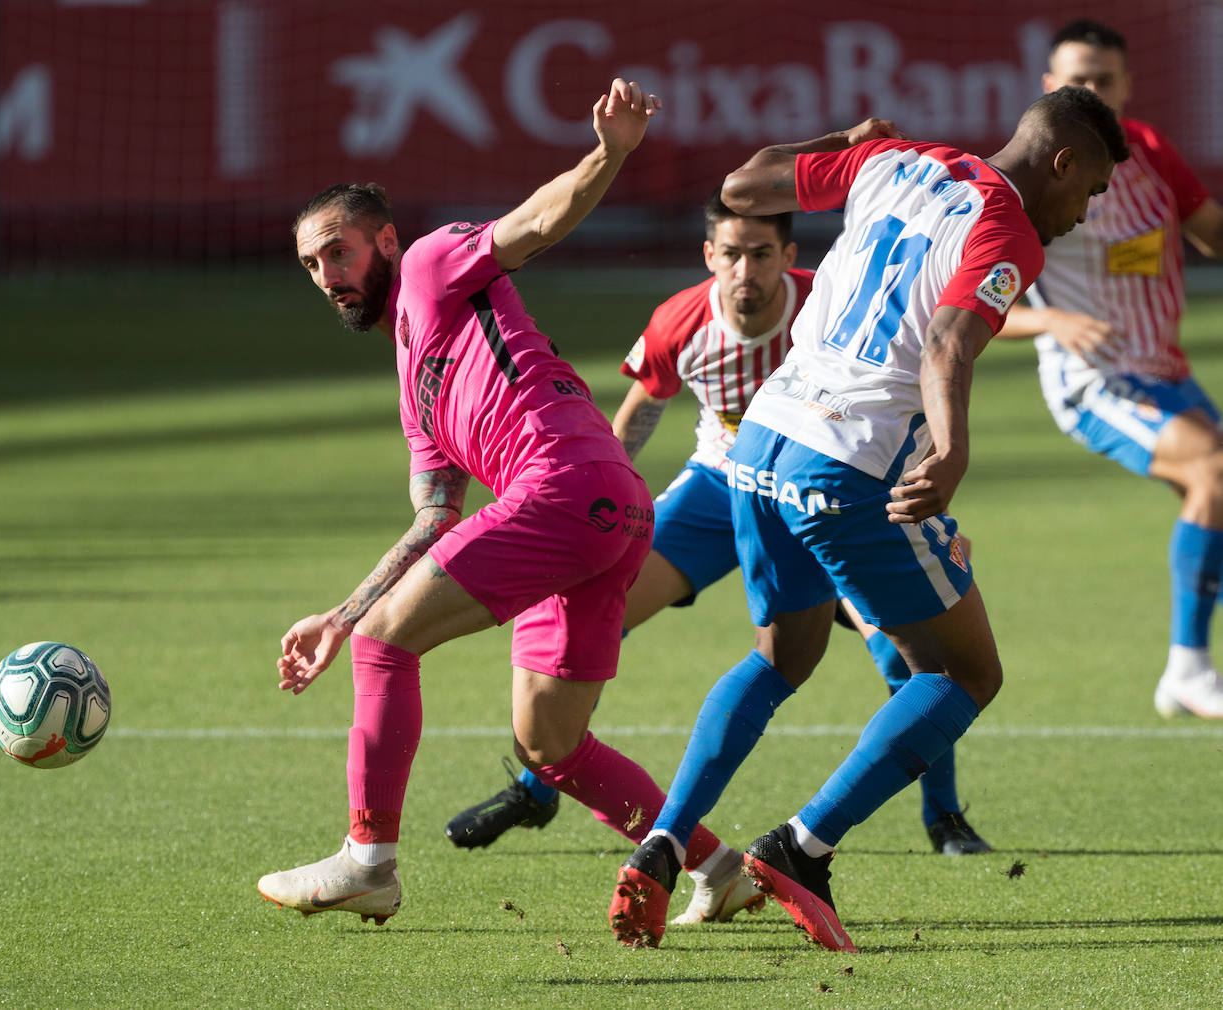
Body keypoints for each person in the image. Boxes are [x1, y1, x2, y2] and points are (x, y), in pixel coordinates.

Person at [608, 86, 1127, 951]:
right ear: (1063, 161)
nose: (1089, 209)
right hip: (847, 459)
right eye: (1093, 188)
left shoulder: (893, 159)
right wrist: (953, 452)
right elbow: (948, 342)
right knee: (963, 673)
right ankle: (800, 848)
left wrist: (842, 137)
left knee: (785, 653)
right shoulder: (1009, 230)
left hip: (761, 441)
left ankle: (664, 842)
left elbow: (743, 187)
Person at [256, 79, 739, 927]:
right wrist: (342, 611)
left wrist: (611, 153)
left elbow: (538, 222)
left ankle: (369, 859)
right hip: (612, 508)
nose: (328, 275)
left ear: (385, 241)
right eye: (311, 265)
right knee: (551, 746)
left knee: (386, 649)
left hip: (563, 485)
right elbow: (434, 520)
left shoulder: (435, 264)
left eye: (339, 251)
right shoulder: (414, 389)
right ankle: (716, 867)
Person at [444, 195, 992, 900]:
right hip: (715, 491)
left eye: (761, 254)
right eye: (730, 254)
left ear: (789, 258)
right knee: (588, 614)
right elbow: (634, 420)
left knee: (909, 655)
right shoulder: (682, 321)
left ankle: (943, 816)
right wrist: (598, 514)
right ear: (710, 257)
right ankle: (542, 780)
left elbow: (904, 407)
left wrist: (928, 523)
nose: (745, 271)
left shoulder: (827, 306)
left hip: (819, 487)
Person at [1000, 20, 1223, 719]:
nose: (1090, 91)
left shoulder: (1150, 150)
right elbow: (969, 304)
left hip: (1167, 373)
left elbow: (1211, 233)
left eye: (1103, 80)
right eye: (1076, 79)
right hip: (1093, 381)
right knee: (1213, 472)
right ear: (1047, 89)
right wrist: (1054, 321)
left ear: (1127, 87)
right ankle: (1187, 669)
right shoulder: (1029, 179)